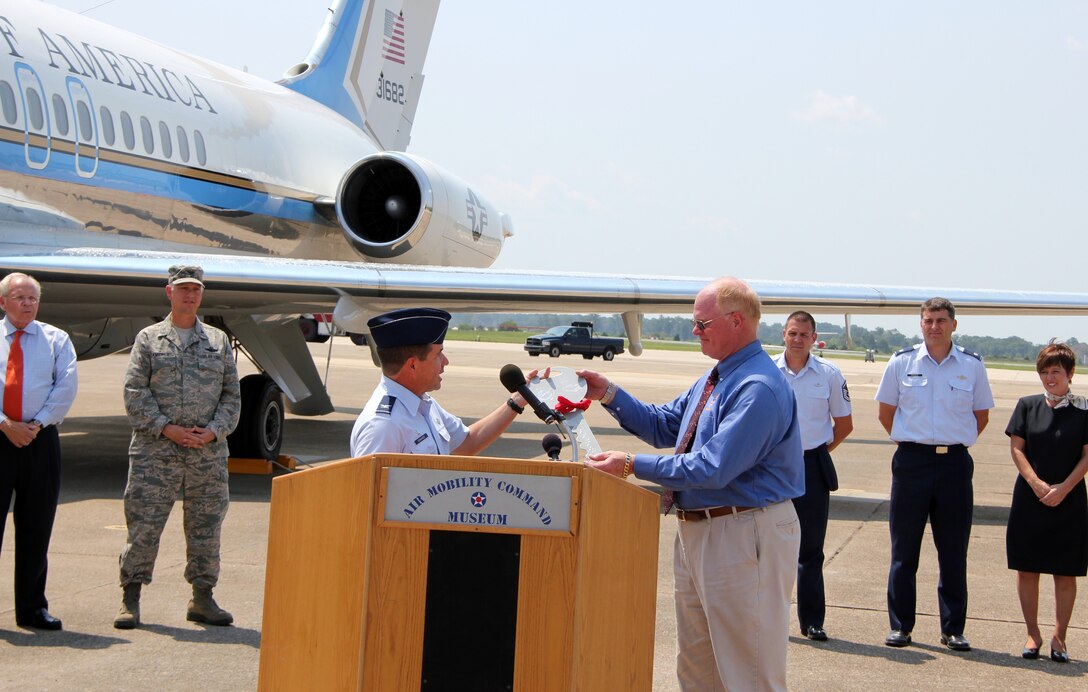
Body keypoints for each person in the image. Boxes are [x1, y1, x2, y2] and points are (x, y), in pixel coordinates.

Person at [582, 277, 803, 691]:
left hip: (742, 532)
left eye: (702, 324)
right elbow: (666, 425)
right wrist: (609, 393)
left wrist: (629, 464)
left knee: (749, 673)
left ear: (736, 322)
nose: (694, 332)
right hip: (703, 531)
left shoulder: (758, 387)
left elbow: (712, 467)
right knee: (699, 670)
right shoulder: (718, 378)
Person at [115, 265, 240, 629]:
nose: (190, 295)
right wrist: (165, 428)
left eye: (196, 290)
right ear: (169, 292)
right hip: (157, 453)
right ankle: (130, 596)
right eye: (183, 289)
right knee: (144, 526)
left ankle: (202, 598)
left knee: (206, 527)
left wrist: (214, 431)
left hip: (207, 454)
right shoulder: (149, 339)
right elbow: (134, 392)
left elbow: (232, 396)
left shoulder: (216, 341)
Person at [875, 297, 993, 651]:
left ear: (954, 325)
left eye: (941, 320)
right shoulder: (901, 362)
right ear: (921, 324)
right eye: (928, 320)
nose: (934, 327)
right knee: (904, 551)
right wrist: (915, 445)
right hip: (912, 463)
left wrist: (952, 442)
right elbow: (886, 413)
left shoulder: (971, 366)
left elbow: (980, 416)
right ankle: (901, 626)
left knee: (954, 551)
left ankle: (953, 629)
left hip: (955, 464)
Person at [350, 307, 539, 457]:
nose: (445, 361)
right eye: (438, 354)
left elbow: (467, 443)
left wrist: (518, 400)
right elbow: (367, 497)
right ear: (413, 365)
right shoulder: (383, 425)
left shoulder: (424, 404)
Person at [0, 273, 78, 631]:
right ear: (3, 302)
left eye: (32, 298)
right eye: (19, 297)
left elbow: (65, 386)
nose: (27, 303)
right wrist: (5, 424)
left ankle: (32, 609)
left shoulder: (56, 339)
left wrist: (36, 424)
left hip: (40, 439)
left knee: (36, 527)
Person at [1005, 342, 1088, 663]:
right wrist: (1037, 484)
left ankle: (1059, 637)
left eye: (1056, 372)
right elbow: (1017, 448)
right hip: (1030, 497)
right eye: (1044, 372)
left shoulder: (1083, 410)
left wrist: (1065, 488)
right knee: (1027, 569)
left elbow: (1086, 455)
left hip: (1070, 499)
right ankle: (1033, 633)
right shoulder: (1027, 405)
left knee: (1065, 572)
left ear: (1070, 374)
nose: (1049, 378)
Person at [774, 310, 853, 642]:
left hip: (811, 467)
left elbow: (844, 425)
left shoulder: (829, 375)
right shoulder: (766, 372)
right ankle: (768, 620)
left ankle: (812, 621)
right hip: (772, 468)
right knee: (766, 547)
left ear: (814, 337)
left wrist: (814, 453)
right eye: (793, 333)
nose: (798, 340)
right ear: (784, 334)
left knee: (810, 550)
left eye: (804, 335)